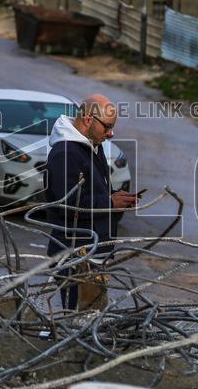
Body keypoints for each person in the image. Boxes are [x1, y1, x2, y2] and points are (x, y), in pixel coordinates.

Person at [45, 94, 138, 310]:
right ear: (88, 119)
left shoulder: (92, 147)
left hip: (93, 252)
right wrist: (109, 202)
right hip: (75, 254)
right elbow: (65, 205)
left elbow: (92, 191)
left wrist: (115, 197)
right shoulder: (65, 153)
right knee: (75, 317)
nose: (110, 133)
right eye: (107, 126)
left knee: (89, 317)